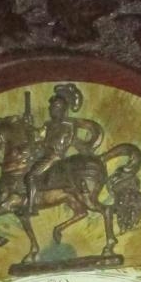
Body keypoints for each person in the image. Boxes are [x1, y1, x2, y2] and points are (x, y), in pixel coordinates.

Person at [25, 84, 102, 214]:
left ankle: (31, 207)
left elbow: (59, 143)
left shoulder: (68, 125)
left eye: (55, 107)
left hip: (53, 156)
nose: (52, 110)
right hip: (44, 154)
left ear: (63, 109)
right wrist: (30, 127)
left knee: (30, 176)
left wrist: (42, 145)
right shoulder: (48, 124)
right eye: (51, 107)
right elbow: (38, 136)